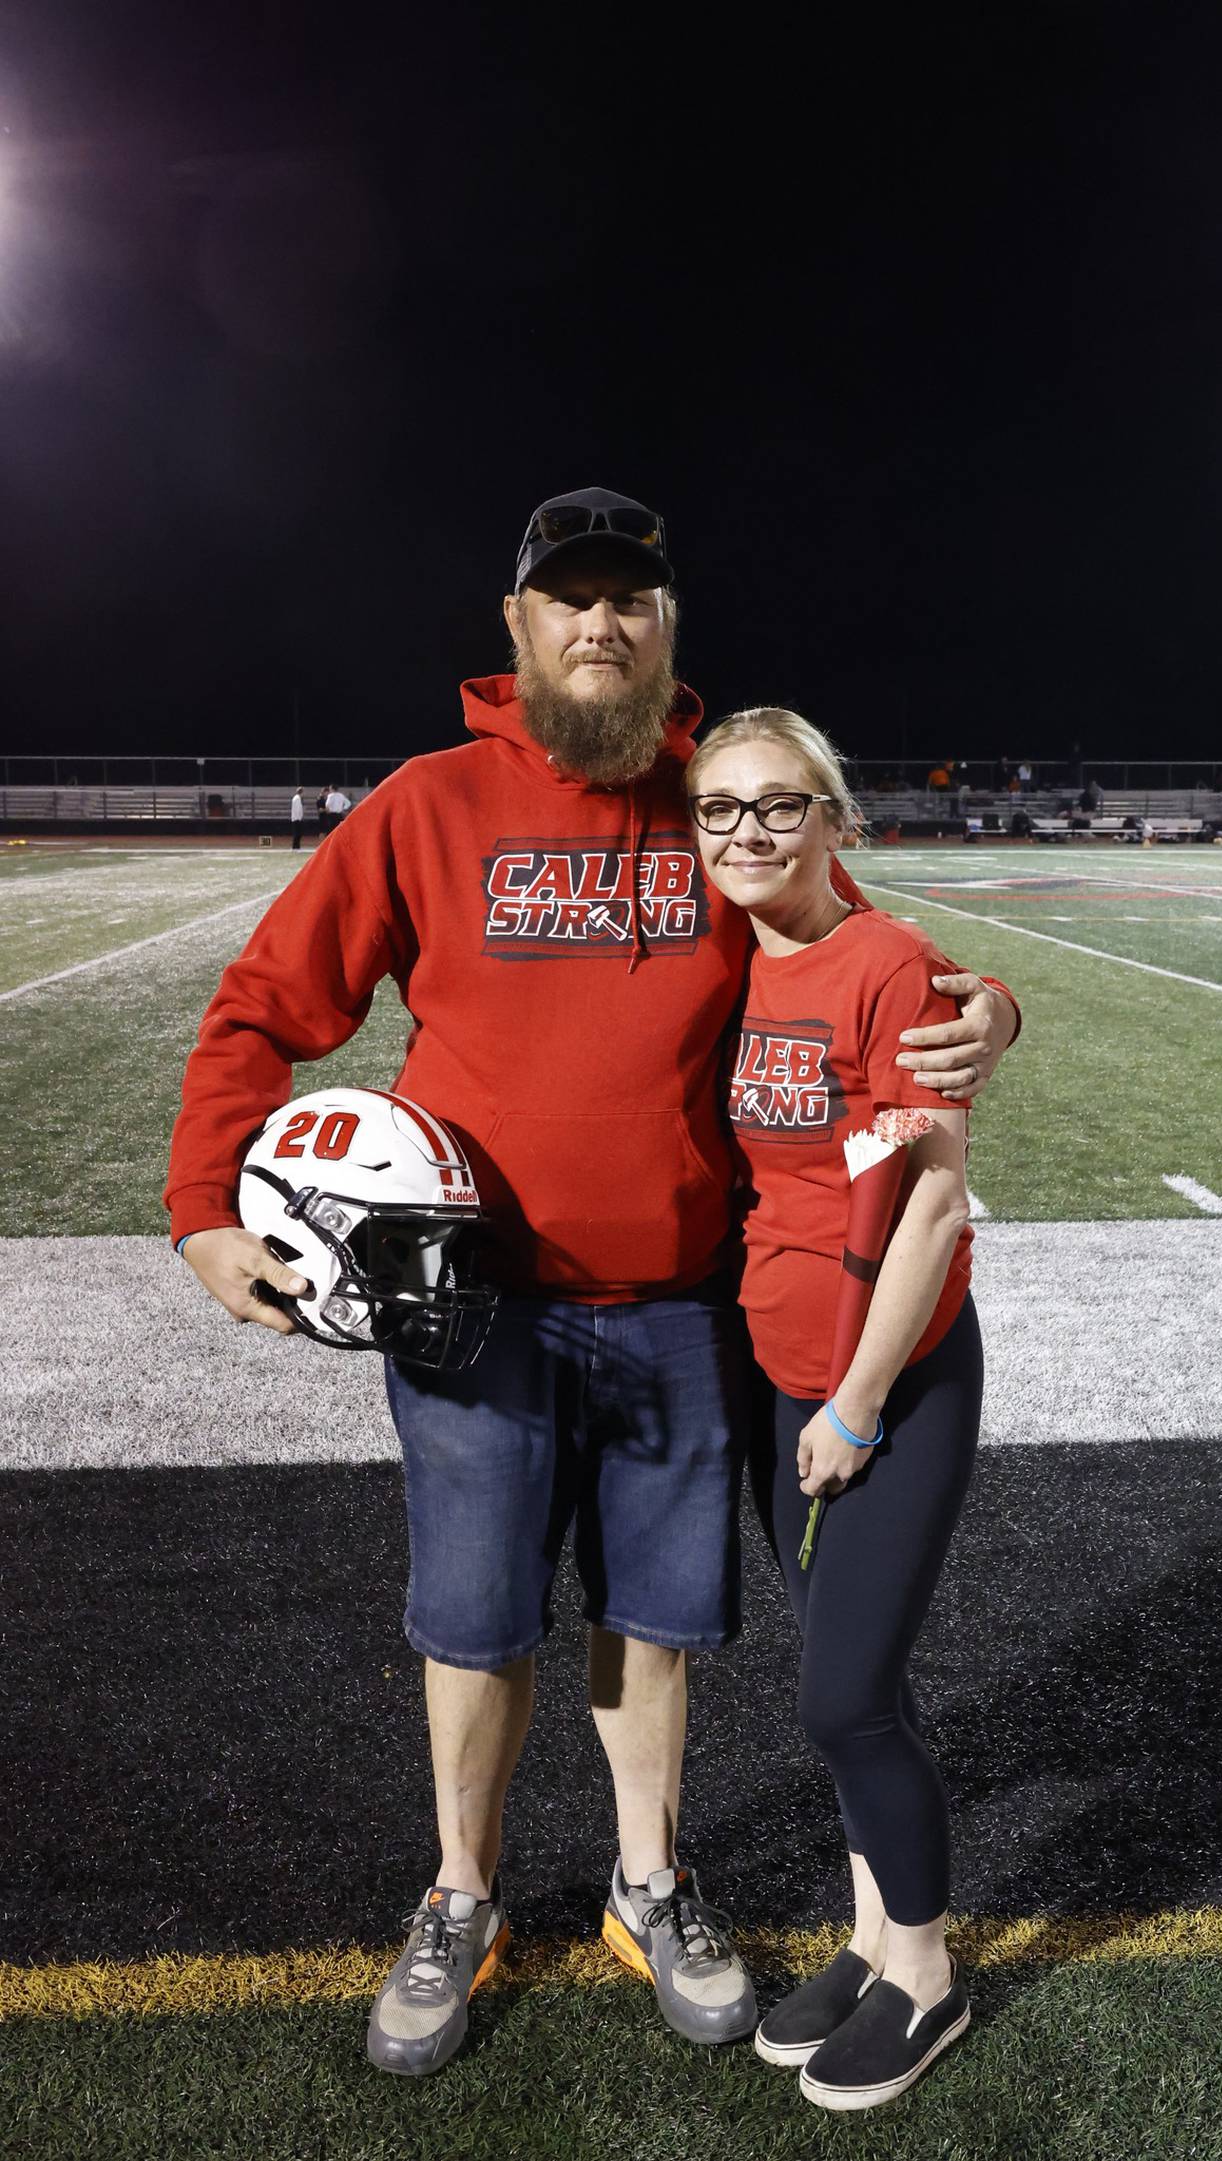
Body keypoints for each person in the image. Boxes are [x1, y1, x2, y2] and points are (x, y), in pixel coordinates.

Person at [164, 487, 1021, 2080]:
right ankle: (461, 1892)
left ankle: (650, 1881)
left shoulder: (712, 806)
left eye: (630, 597)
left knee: (650, 1620)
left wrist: (993, 1008)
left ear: (667, 628)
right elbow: (264, 1001)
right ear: (520, 626)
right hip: (473, 1310)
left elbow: (854, 945)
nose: (600, 622)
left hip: (682, 1303)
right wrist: (203, 1206)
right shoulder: (427, 804)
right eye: (570, 598)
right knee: (478, 1620)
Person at [686, 707, 983, 2111]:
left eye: (779, 806)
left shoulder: (888, 962)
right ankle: (869, 1939)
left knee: (846, 1693)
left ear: (836, 819)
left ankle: (925, 1972)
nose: (747, 832)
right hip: (776, 1368)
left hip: (889, 1375)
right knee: (848, 1674)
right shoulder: (734, 959)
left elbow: (933, 1196)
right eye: (720, 809)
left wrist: (859, 1403)